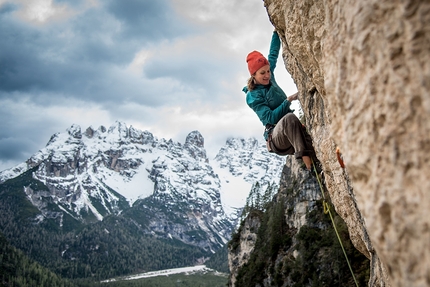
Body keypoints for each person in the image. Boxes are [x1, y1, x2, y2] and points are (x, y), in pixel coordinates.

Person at [243, 30, 316, 171]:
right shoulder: (252, 96)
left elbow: (273, 54)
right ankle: (308, 163)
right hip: (277, 138)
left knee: (308, 138)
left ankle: (315, 166)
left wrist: (277, 31)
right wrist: (287, 101)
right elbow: (269, 118)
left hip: (292, 130)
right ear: (253, 75)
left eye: (268, 71)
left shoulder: (270, 77)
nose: (267, 75)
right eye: (262, 73)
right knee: (289, 118)